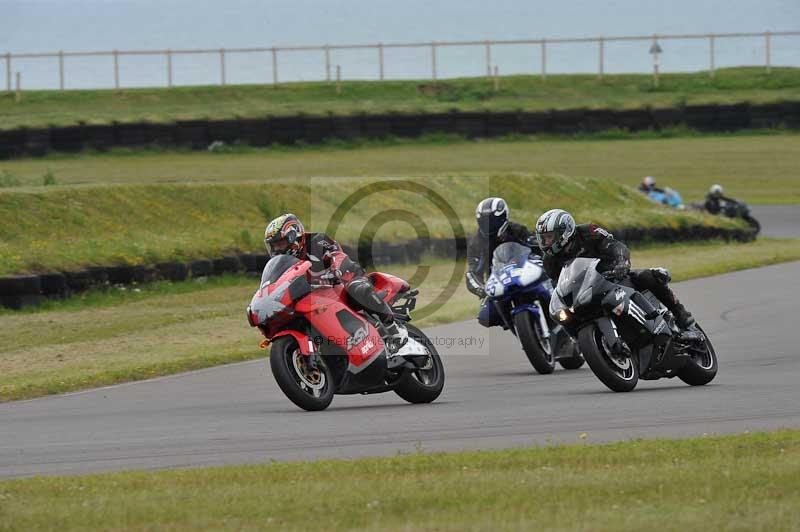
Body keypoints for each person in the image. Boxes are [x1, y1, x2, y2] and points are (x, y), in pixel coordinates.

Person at [263, 213, 408, 350]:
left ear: (294, 236)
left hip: (340, 281)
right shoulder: (283, 264)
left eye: (280, 244)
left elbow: (336, 255)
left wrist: (335, 269)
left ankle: (393, 329)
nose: (278, 249)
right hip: (314, 298)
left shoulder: (317, 241)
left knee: (356, 287)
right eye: (274, 246)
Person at [534, 208, 695, 329]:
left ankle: (680, 312)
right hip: (584, 292)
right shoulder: (549, 261)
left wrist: (620, 262)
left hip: (612, 275)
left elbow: (615, 246)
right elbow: (558, 285)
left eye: (549, 237)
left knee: (648, 276)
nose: (546, 242)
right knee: (564, 317)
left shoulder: (588, 232)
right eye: (543, 238)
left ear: (565, 231)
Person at [465, 197, 541, 328]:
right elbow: (472, 272)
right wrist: (482, 290)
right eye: (484, 222)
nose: (489, 225)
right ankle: (517, 326)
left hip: (525, 273)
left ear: (503, 217)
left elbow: (537, 246)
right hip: (499, 282)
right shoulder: (476, 243)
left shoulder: (517, 230)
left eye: (493, 221)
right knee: (485, 316)